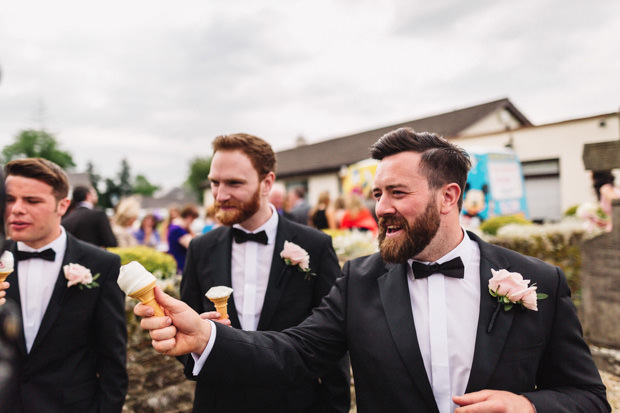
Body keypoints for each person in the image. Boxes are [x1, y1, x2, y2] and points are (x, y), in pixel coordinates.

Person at [136, 128, 610, 413]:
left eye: (398, 193)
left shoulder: (539, 282)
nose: (381, 208)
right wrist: (206, 337)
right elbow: (295, 352)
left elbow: (589, 397)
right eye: (377, 194)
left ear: (449, 197)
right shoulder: (360, 281)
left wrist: (528, 405)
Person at [177, 133, 350, 413]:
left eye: (234, 183)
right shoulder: (201, 248)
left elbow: (334, 345)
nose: (220, 195)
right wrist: (200, 345)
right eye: (214, 183)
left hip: (294, 404)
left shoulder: (315, 246)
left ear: (267, 182)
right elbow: (187, 337)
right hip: (219, 403)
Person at [1, 158, 127, 412]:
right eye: (10, 199)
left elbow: (113, 362)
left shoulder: (101, 265)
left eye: (32, 201)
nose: (16, 209)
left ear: (63, 205)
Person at [167, 204, 198, 273]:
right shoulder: (177, 229)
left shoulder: (177, 227)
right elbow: (192, 245)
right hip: (181, 262)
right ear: (189, 217)